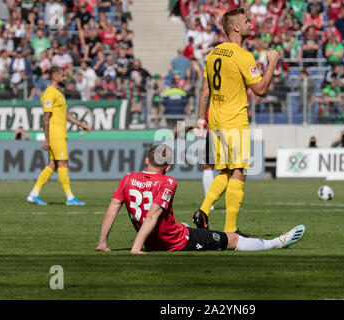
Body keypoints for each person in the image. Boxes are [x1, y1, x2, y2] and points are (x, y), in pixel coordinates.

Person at [96, 145, 306, 254]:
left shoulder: (127, 179)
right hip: (176, 242)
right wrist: (135, 249)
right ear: (168, 166)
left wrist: (103, 243)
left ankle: (201, 223)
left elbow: (111, 211)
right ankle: (275, 243)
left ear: (146, 160)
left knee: (186, 226)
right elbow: (151, 217)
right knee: (231, 239)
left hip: (152, 242)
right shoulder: (168, 181)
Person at [193, 8, 279, 236]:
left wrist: (201, 121)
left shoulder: (212, 54)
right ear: (236, 27)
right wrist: (272, 63)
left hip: (216, 122)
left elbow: (204, 92)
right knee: (239, 172)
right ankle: (231, 229)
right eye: (246, 21)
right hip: (235, 122)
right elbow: (260, 89)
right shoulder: (243, 56)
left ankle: (203, 210)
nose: (251, 24)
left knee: (225, 173)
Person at [27, 66, 91, 206]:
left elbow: (66, 113)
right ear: (55, 77)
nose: (64, 78)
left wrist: (82, 125)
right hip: (55, 135)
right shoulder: (49, 93)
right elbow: (46, 117)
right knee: (63, 163)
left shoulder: (58, 93)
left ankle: (34, 194)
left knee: (53, 164)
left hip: (60, 134)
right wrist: (47, 138)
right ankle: (70, 198)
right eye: (62, 76)